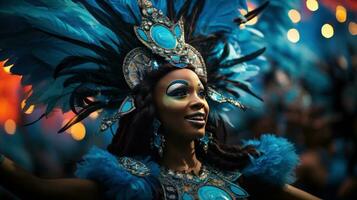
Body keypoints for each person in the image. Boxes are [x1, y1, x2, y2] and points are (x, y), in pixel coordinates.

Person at [0, 0, 320, 199]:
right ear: (151, 111)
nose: (199, 102)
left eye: (201, 92)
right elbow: (36, 189)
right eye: (180, 93)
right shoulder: (135, 185)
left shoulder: (242, 173)